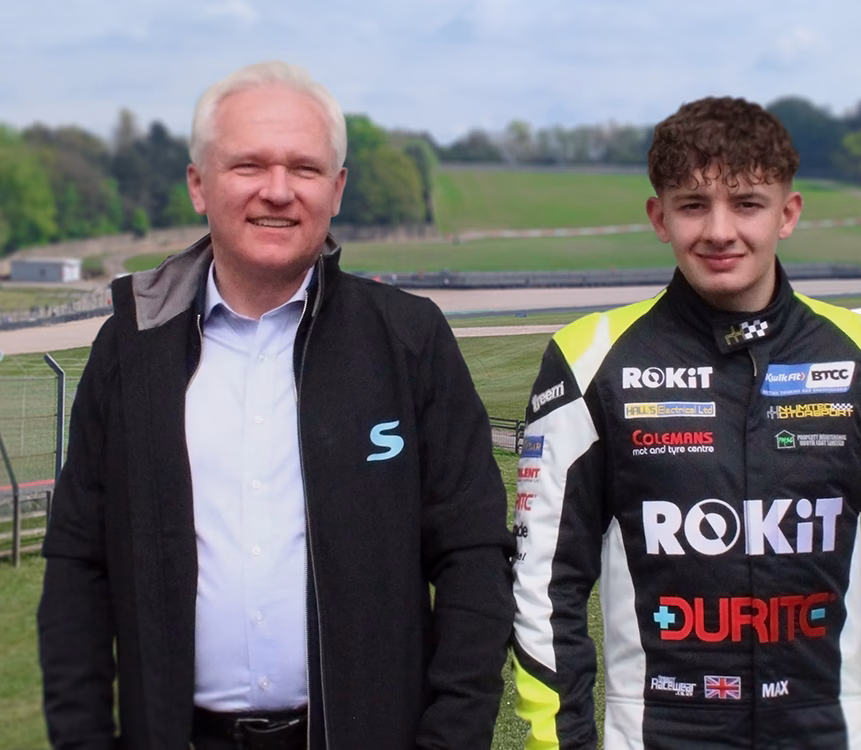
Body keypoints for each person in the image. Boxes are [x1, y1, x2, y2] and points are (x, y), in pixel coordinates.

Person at [37, 61, 514, 750]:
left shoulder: (410, 340)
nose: (279, 190)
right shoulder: (130, 350)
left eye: (305, 168)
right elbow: (78, 565)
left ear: (337, 189)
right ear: (199, 185)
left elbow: (474, 555)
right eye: (249, 165)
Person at [510, 97, 861, 749]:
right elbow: (542, 587)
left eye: (747, 203)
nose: (720, 231)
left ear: (788, 213)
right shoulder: (587, 361)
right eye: (694, 204)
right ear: (659, 217)